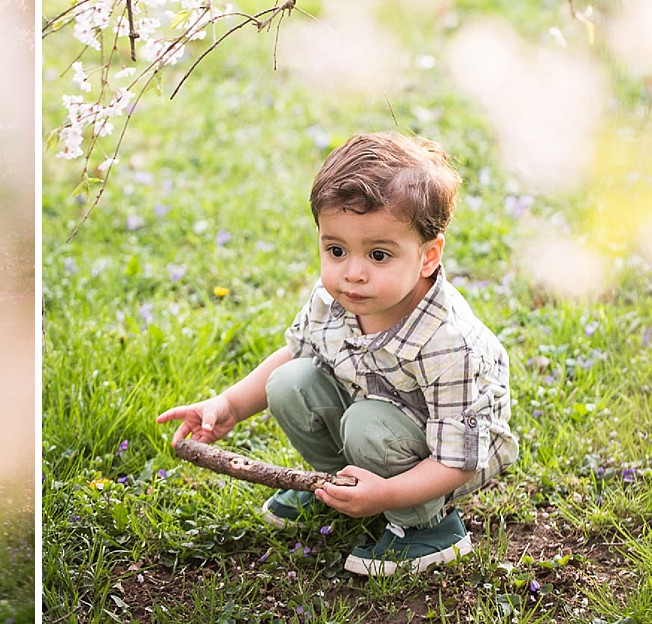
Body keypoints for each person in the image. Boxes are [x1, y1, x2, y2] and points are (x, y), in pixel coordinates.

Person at [157, 132, 516, 575]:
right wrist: (227, 405)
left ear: (428, 256)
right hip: (379, 423)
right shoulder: (333, 300)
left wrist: (386, 496)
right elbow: (294, 354)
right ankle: (338, 485)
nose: (353, 274)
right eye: (336, 250)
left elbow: (458, 461)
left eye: (379, 254)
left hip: (445, 456)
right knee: (289, 383)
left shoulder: (447, 343)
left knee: (368, 425)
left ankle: (427, 527)